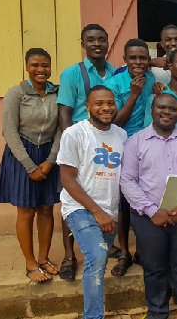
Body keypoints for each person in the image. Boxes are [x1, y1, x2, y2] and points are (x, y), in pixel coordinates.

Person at [120, 93, 177, 319]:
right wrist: (151, 211)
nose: (166, 112)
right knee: (154, 267)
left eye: (172, 109)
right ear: (152, 109)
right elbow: (127, 180)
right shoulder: (135, 142)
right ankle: (158, 312)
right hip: (148, 217)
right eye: (161, 108)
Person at [57, 85, 127, 319]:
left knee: (99, 260)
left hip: (109, 210)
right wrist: (97, 212)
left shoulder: (120, 134)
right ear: (87, 107)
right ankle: (93, 316)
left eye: (109, 103)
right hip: (81, 208)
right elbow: (67, 178)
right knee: (97, 257)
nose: (106, 107)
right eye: (98, 103)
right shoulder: (74, 134)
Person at [56, 23, 117, 281]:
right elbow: (64, 112)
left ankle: (103, 243)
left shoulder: (115, 73)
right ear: (83, 44)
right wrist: (75, 141)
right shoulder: (72, 74)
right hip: (81, 141)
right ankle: (69, 254)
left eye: (101, 39)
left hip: (109, 135)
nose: (96, 44)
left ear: (107, 43)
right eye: (91, 40)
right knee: (72, 193)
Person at [0, 48, 61, 283]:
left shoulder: (57, 93)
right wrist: (30, 166)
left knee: (46, 208)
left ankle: (43, 258)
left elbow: (62, 129)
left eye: (45, 65)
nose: (40, 70)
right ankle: (30, 263)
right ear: (27, 67)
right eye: (35, 65)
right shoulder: (16, 94)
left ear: (51, 67)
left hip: (48, 155)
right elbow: (9, 131)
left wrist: (50, 161)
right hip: (22, 154)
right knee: (26, 211)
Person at [104, 38, 156, 277]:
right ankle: (124, 251)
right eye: (133, 58)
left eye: (143, 58)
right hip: (123, 148)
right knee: (124, 203)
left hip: (148, 147)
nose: (138, 62)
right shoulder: (114, 84)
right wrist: (133, 95)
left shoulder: (152, 80)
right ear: (124, 60)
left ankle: (143, 250)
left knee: (145, 199)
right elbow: (115, 123)